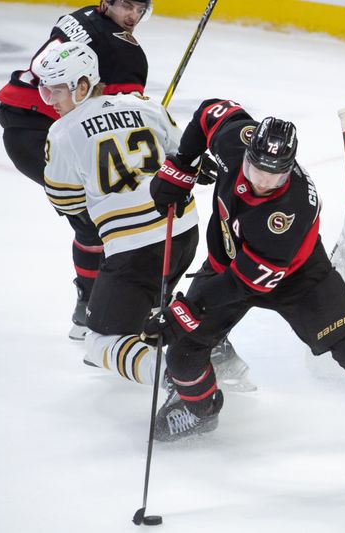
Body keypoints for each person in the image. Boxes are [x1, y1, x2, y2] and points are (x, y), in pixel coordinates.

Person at [142, 98, 345, 453]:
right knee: (182, 355)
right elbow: (210, 112)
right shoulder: (237, 144)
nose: (263, 181)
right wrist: (181, 165)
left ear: (289, 169)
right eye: (257, 168)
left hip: (298, 278)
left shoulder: (286, 214)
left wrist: (185, 310)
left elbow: (243, 284)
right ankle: (201, 411)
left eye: (274, 174)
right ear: (247, 151)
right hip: (228, 266)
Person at [34, 41, 199, 386]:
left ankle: (184, 379)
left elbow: (67, 203)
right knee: (153, 311)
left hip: (134, 250)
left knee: (98, 342)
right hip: (183, 233)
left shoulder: (62, 133)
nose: (50, 101)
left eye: (56, 91)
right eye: (45, 91)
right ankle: (211, 349)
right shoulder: (147, 105)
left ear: (82, 86)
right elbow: (186, 158)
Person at [0, 0, 152, 340]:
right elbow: (117, 114)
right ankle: (94, 308)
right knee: (97, 218)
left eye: (140, 9)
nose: (133, 16)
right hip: (42, 132)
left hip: (29, 124)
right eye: (126, 5)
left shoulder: (81, 15)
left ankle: (92, 306)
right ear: (106, 2)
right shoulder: (128, 54)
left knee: (94, 218)